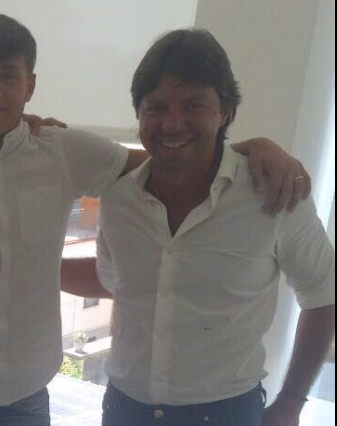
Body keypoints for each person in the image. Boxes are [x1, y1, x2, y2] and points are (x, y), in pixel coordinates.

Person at [0, 15, 309, 426]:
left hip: (26, 397)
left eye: (8, 76)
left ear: (30, 85)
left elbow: (172, 156)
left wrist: (252, 149)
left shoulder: (64, 151)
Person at [61, 29, 335, 426]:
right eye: (156, 107)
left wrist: (292, 401)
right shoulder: (119, 200)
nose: (172, 124)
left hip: (226, 414)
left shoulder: (274, 195)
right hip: (124, 410)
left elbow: (324, 294)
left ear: (225, 112)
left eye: (194, 105)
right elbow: (115, 281)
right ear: (139, 114)